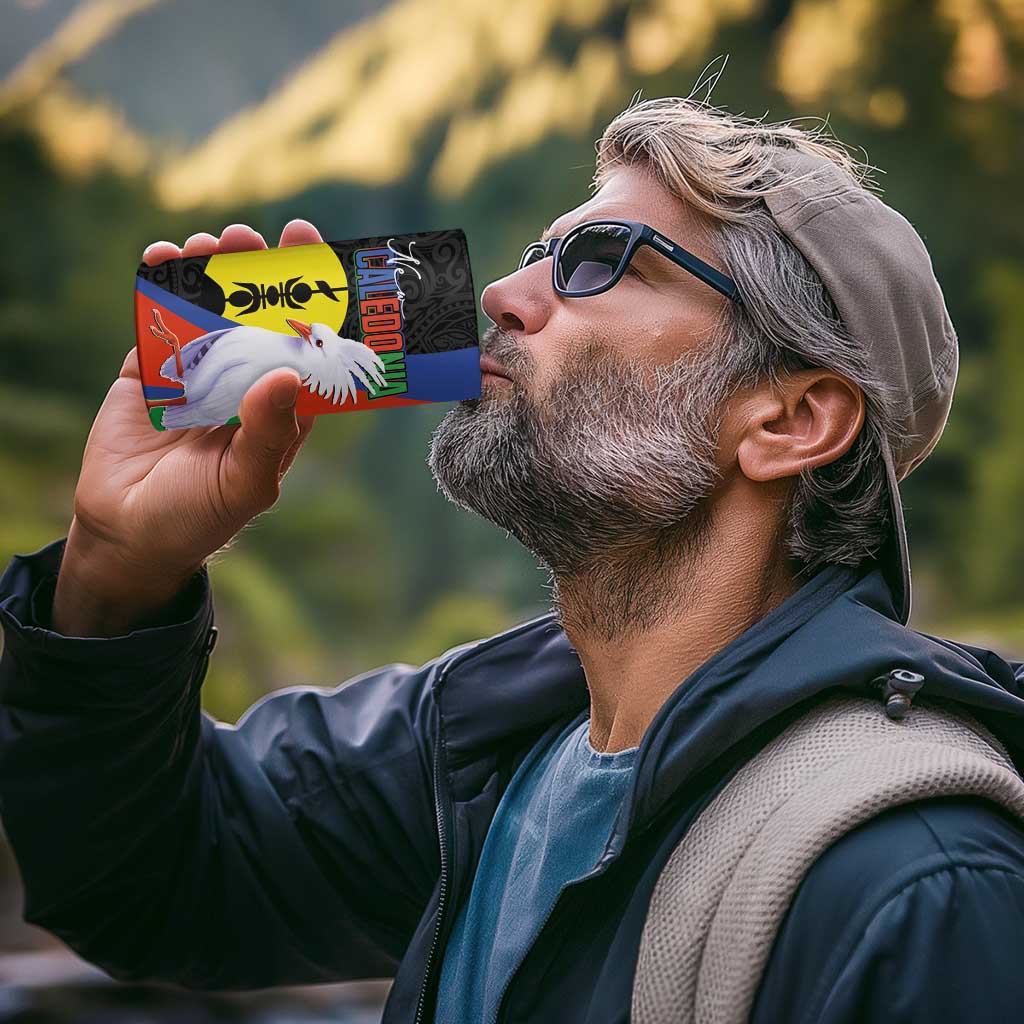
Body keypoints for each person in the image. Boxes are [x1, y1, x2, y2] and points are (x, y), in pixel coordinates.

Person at [2, 94, 1024, 1024]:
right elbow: (148, 881)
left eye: (599, 262)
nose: (501, 291)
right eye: (540, 252)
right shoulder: (480, 749)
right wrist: (115, 572)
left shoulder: (918, 884)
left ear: (790, 419)